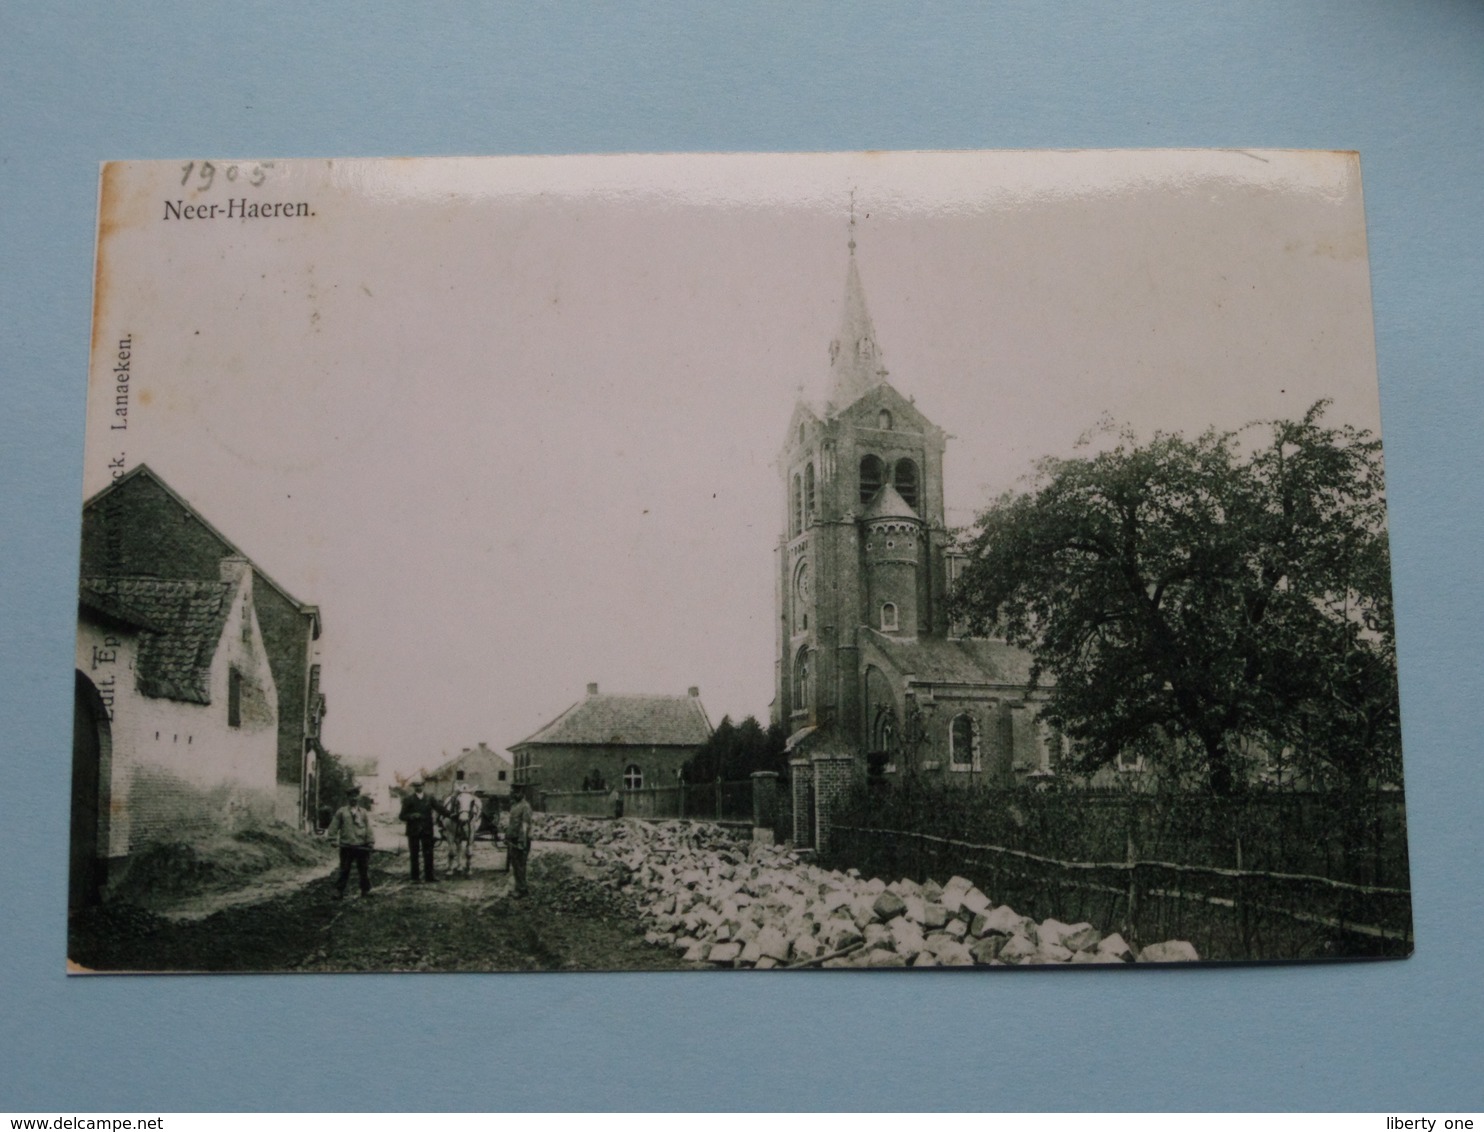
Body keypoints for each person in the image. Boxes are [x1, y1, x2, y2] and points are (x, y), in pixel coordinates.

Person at [327, 786, 375, 899]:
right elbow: (334, 826)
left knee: (363, 869)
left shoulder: (363, 812)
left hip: (361, 846)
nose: (354, 799)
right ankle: (339, 891)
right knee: (344, 869)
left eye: (356, 796)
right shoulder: (342, 812)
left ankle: (365, 890)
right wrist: (332, 839)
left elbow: (369, 828)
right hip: (346, 846)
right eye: (351, 796)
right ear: (348, 798)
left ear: (358, 797)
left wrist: (370, 842)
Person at [398, 778, 444, 883]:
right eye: (416, 786)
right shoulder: (408, 799)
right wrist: (412, 816)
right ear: (414, 787)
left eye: (420, 785)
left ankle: (429, 877)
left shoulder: (430, 798)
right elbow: (401, 816)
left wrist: (452, 815)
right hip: (413, 831)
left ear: (424, 786)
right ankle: (415, 878)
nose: (419, 787)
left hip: (427, 830)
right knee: (414, 854)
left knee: (428, 853)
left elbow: (440, 809)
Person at [506, 785, 533, 898]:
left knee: (520, 865)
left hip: (521, 840)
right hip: (513, 839)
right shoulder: (514, 806)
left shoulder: (525, 806)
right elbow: (512, 824)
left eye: (516, 792)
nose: (514, 794)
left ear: (522, 793)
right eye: (513, 792)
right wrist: (507, 836)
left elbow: (525, 825)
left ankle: (522, 890)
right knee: (515, 865)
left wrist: (522, 841)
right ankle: (518, 888)